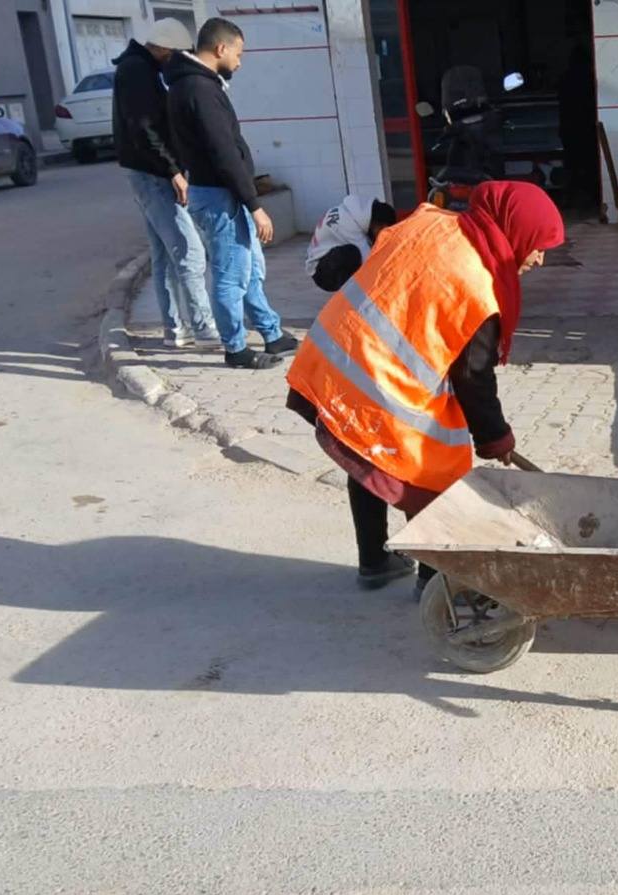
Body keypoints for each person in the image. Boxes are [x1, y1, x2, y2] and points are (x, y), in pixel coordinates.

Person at [284, 181, 565, 589]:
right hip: (375, 375)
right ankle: (437, 585)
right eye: (538, 246)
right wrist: (495, 438)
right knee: (435, 474)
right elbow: (472, 378)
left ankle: (375, 563)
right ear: (514, 230)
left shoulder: (430, 221)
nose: (539, 259)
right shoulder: (478, 286)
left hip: (336, 354)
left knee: (367, 453)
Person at [164, 17, 296, 370]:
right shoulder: (199, 90)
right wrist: (255, 205)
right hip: (220, 197)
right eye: (238, 54)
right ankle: (236, 349)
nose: (239, 62)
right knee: (231, 276)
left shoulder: (192, 84)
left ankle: (271, 332)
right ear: (221, 48)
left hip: (220, 193)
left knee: (249, 270)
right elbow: (223, 152)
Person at [111, 18, 219, 349]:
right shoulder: (138, 71)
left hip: (146, 171)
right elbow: (145, 127)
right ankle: (204, 328)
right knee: (189, 251)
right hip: (153, 174)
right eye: (176, 54)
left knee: (164, 254)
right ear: (164, 49)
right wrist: (173, 171)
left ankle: (175, 329)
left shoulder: (138, 67)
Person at [305, 194, 399, 292]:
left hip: (326, 260)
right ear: (375, 222)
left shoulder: (351, 213)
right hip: (321, 273)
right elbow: (368, 261)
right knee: (352, 254)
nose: (382, 233)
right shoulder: (348, 225)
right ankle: (351, 296)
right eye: (382, 228)